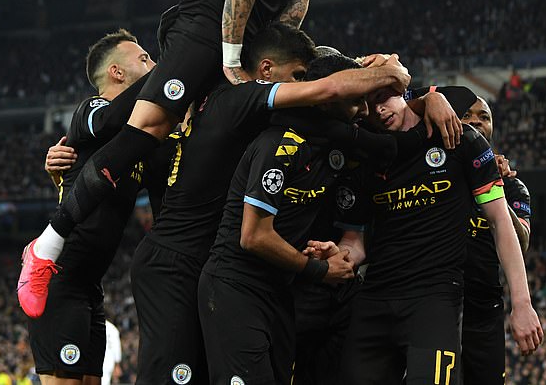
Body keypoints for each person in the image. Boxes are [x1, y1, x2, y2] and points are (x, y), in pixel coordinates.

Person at [18, 0, 349, 310]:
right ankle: (46, 245)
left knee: (218, 137)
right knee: (149, 127)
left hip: (251, 38)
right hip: (206, 23)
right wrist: (233, 61)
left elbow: (297, 0)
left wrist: (270, 58)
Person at [131, 25, 411, 385]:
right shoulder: (251, 111)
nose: (302, 85)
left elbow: (384, 140)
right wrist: (393, 72)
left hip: (270, 284)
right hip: (202, 269)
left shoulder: (319, 137)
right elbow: (253, 236)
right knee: (170, 377)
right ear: (266, 69)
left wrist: (431, 98)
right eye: (298, 76)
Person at [197, 54, 385, 385]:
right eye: (356, 101)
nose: (365, 111)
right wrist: (319, 270)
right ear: (327, 100)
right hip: (236, 287)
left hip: (280, 291)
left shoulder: (334, 148)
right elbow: (253, 236)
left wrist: (432, 98)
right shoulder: (280, 144)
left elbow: (394, 143)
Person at [337, 88, 543, 385]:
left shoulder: (464, 143)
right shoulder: (368, 154)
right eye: (369, 104)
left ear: (402, 91)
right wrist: (337, 257)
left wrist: (522, 303)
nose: (378, 109)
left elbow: (502, 223)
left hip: (443, 301)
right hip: (376, 298)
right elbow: (354, 241)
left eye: (383, 97)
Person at [25, 29, 170, 385]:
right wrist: (168, 75)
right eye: (144, 59)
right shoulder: (93, 109)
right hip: (60, 275)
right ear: (116, 72)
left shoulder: (138, 143)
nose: (153, 65)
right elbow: (110, 122)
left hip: (91, 285)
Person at [460, 97, 532, 385]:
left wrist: (495, 189)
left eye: (484, 116)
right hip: (440, 301)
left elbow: (522, 242)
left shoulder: (512, 187)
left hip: (484, 311)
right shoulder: (440, 173)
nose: (476, 121)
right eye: (467, 114)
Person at [102, 320, 121, 385]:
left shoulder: (94, 325)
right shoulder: (113, 328)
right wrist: (117, 363)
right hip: (109, 361)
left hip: (97, 360)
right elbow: (116, 348)